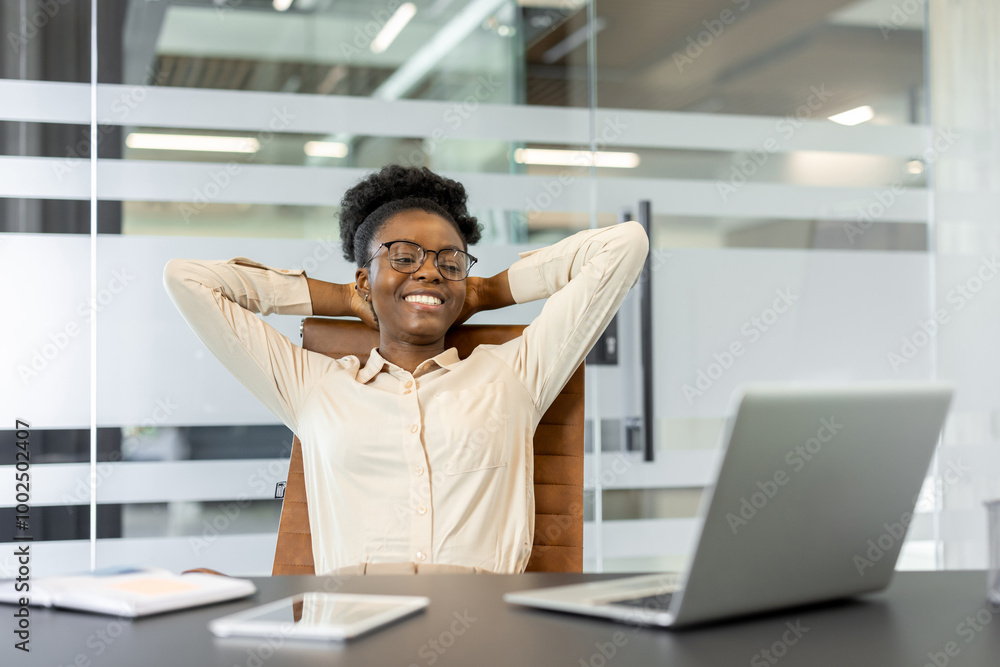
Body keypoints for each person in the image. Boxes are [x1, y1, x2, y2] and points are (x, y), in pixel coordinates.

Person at [163, 165, 649, 575]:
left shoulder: (515, 374)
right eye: (403, 258)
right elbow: (188, 280)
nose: (430, 271)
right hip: (352, 640)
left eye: (450, 262)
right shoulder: (314, 387)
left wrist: (488, 291)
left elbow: (624, 245)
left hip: (486, 641)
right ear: (364, 276)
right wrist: (343, 298)